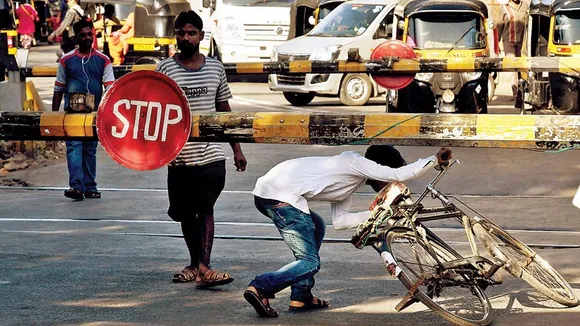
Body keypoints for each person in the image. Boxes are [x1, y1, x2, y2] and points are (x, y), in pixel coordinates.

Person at [244, 145, 452, 318]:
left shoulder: (348, 181)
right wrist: (434, 159)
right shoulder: (356, 164)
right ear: (378, 168)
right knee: (310, 262)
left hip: (271, 194)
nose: (388, 186)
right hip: (279, 197)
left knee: (317, 226)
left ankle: (301, 295)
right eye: (388, 181)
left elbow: (341, 222)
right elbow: (399, 173)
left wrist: (377, 212)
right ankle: (260, 286)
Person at [155, 10, 247, 289]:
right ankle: (195, 264)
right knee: (186, 213)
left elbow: (224, 111)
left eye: (191, 33)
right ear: (176, 36)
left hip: (211, 154)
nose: (185, 37)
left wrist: (237, 149)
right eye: (181, 33)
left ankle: (204, 267)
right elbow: (155, 113)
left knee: (205, 208)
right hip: (179, 157)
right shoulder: (165, 70)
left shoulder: (215, 68)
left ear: (201, 36)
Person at [52, 17, 115, 200]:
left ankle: (90, 187)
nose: (87, 38)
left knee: (89, 149)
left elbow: (110, 88)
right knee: (74, 148)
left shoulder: (104, 60)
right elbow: (59, 88)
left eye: (90, 34)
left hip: (94, 114)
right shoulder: (66, 60)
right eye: (83, 35)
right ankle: (77, 187)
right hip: (72, 115)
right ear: (76, 38)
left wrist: (106, 114)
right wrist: (53, 116)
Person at [496, 0, 529, 101]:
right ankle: (515, 92)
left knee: (522, 66)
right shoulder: (504, 8)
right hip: (508, 42)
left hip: (522, 41)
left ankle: (522, 92)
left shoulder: (525, 7)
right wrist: (497, 41)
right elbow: (498, 26)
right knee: (513, 66)